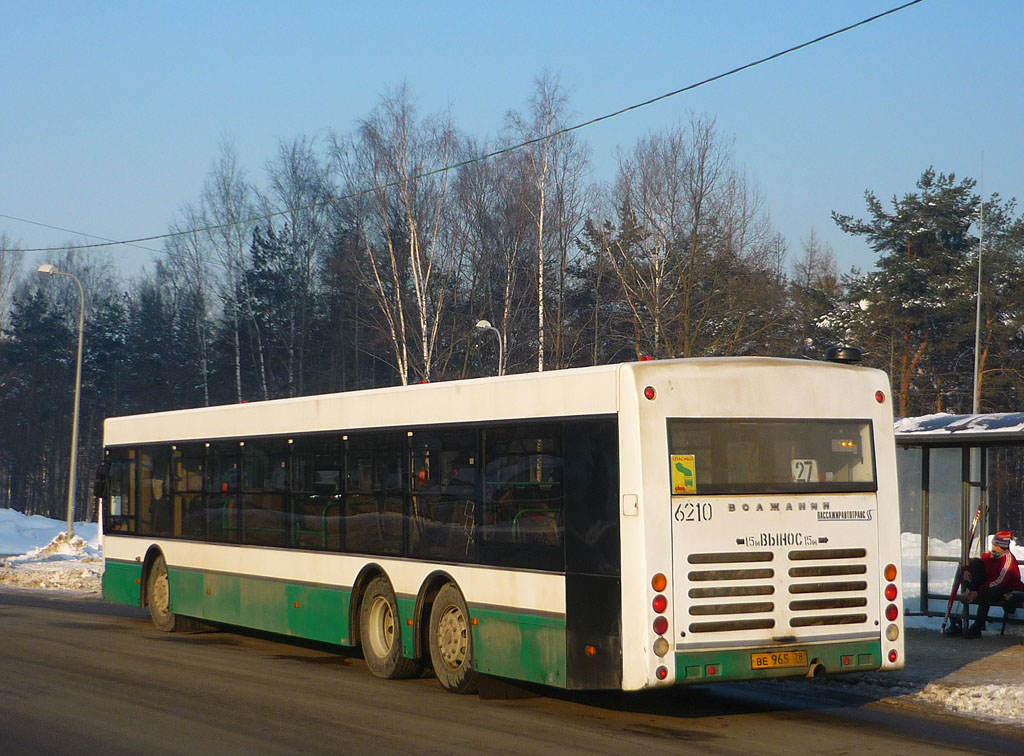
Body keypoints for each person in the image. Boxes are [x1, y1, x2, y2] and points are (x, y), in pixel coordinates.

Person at [960, 531, 1022, 638]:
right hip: (990, 585)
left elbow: (999, 582)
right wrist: (966, 570)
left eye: (996, 545)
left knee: (985, 593)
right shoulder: (988, 555)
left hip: (1007, 589)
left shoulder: (1008, 560)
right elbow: (975, 566)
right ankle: (968, 592)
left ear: (1002, 547)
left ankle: (977, 628)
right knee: (975, 563)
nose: (993, 547)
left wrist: (978, 592)